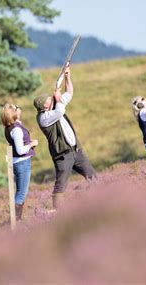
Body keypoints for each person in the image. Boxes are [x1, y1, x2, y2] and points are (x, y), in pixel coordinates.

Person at [33, 64, 96, 210]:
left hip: (76, 150)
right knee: (60, 186)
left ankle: (102, 200)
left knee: (93, 177)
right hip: (63, 155)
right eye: (48, 100)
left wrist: (67, 77)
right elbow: (60, 111)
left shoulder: (54, 106)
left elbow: (69, 93)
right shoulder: (43, 118)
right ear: (44, 106)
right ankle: (58, 212)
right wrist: (58, 98)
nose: (51, 99)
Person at [1, 104, 38, 220]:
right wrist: (32, 144)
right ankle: (15, 221)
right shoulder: (16, 129)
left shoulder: (11, 127)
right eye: (15, 108)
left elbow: (17, 143)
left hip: (18, 162)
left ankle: (16, 220)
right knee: (21, 193)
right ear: (14, 114)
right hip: (22, 163)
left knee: (20, 192)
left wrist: (27, 142)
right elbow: (20, 150)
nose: (18, 108)